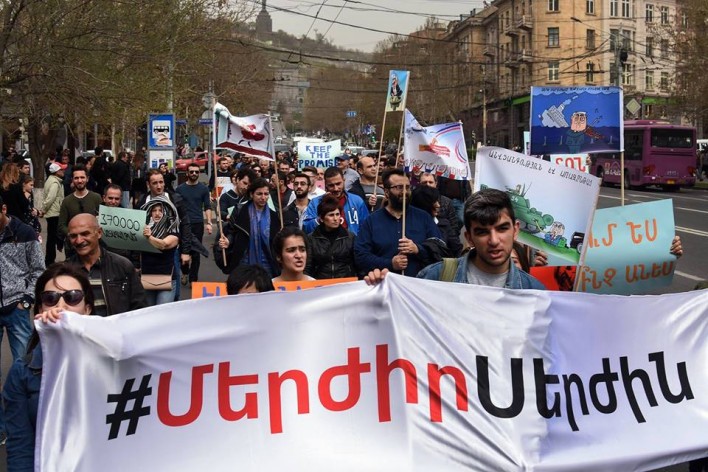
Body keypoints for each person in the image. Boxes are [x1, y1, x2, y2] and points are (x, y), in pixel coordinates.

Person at [3, 263, 94, 471]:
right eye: (50, 299)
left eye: (72, 297)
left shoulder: (113, 359)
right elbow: (21, 448)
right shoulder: (22, 373)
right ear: (40, 310)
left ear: (87, 309)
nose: (60, 307)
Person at [414, 188, 545, 288]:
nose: (494, 240)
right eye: (482, 232)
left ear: (515, 230)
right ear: (469, 238)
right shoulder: (436, 278)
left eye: (502, 229)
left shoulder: (533, 291)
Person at [0, 193, 45, 442]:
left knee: (25, 368)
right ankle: (2, 429)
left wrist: (26, 300)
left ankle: (27, 427)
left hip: (16, 308)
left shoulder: (25, 233)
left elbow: (39, 270)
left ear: (4, 209)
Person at [355, 169, 442, 277]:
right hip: (385, 285)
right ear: (386, 192)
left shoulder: (423, 217)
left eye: (407, 187)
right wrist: (390, 263)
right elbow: (361, 256)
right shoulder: (372, 221)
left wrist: (418, 249)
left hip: (418, 285)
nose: (405, 192)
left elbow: (440, 249)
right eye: (399, 187)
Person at [66, 214, 147, 316]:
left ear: (99, 233)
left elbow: (139, 308)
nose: (79, 240)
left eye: (85, 234)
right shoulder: (65, 271)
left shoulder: (122, 266)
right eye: (73, 236)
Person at [216, 178, 281, 277]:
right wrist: (228, 241)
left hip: (268, 263)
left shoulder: (274, 214)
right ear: (251, 194)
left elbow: (277, 239)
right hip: (244, 260)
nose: (263, 197)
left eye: (266, 194)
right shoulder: (239, 210)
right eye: (259, 194)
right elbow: (231, 231)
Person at [303, 167, 369, 235]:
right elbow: (307, 228)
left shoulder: (357, 201)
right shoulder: (315, 203)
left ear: (344, 180)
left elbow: (366, 227)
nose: (336, 189)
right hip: (324, 244)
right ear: (325, 185)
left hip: (351, 243)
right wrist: (322, 215)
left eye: (338, 184)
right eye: (331, 185)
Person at [175, 164, 213, 285]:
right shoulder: (180, 189)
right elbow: (176, 207)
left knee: (196, 252)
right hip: (183, 224)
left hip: (197, 223)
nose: (194, 174)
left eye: (197, 172)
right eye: (191, 172)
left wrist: (209, 222)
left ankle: (193, 279)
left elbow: (207, 206)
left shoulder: (203, 189)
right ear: (187, 173)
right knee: (183, 250)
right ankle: (185, 272)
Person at [140, 197, 180, 305]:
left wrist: (149, 237)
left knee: (162, 314)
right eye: (154, 210)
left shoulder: (173, 231)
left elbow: (164, 244)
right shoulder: (144, 230)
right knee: (149, 314)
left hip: (166, 278)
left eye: (161, 211)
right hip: (147, 277)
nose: (157, 214)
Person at [307, 195, 356, 280]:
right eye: (331, 215)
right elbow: (308, 266)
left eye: (337, 214)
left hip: (345, 284)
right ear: (321, 218)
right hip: (320, 285)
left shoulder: (350, 237)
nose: (336, 218)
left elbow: (356, 263)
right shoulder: (311, 239)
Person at [57, 165, 102, 251]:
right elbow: (61, 225)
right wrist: (73, 235)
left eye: (82, 177)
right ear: (72, 180)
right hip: (73, 247)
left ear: (87, 179)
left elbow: (102, 221)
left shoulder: (96, 198)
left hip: (92, 245)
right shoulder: (67, 201)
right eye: (76, 178)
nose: (80, 181)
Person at [411, 185, 462, 257]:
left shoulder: (444, 224)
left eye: (438, 201)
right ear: (424, 204)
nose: (438, 205)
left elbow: (457, 249)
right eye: (434, 202)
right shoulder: (409, 225)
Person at [418, 172, 461, 236]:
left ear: (436, 183)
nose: (428, 185)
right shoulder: (413, 202)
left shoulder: (447, 202)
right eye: (424, 182)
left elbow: (454, 227)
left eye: (430, 182)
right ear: (419, 184)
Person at [42, 162, 66, 266]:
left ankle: (50, 259)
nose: (63, 171)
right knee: (54, 237)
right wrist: (43, 209)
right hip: (54, 213)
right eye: (61, 170)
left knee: (52, 237)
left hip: (53, 212)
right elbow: (50, 198)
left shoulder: (52, 180)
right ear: (56, 172)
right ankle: (50, 260)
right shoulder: (55, 183)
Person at [18, 174, 41, 239]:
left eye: (33, 185)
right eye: (30, 185)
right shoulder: (20, 195)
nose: (32, 187)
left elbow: (31, 207)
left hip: (32, 221)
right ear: (24, 184)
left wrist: (36, 211)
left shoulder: (30, 194)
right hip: (24, 221)